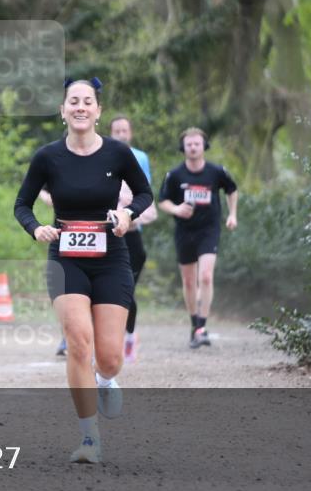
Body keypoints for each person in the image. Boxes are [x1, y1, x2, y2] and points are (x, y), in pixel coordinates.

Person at [14, 78, 152, 463]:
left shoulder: (117, 153)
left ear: (97, 111)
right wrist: (36, 227)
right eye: (72, 101)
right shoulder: (47, 157)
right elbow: (22, 204)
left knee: (108, 357)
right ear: (62, 110)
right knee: (78, 341)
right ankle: (89, 438)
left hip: (111, 258)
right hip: (66, 258)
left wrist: (127, 213)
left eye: (87, 101)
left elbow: (144, 194)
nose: (79, 107)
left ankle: (106, 379)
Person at [158, 127, 237, 349]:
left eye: (197, 143)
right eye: (189, 144)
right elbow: (162, 200)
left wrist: (232, 215)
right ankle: (194, 324)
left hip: (209, 230)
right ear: (183, 148)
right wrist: (176, 209)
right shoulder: (175, 175)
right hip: (184, 231)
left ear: (204, 146)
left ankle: (202, 326)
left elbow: (232, 190)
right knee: (189, 281)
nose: (193, 147)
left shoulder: (216, 172)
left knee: (205, 276)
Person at [108, 115, 157, 363]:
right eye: (116, 130)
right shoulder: (102, 158)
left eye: (124, 130)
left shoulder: (140, 159)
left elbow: (147, 200)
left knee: (126, 291)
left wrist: (131, 215)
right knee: (108, 292)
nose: (121, 134)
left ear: (131, 133)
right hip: (106, 239)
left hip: (132, 237)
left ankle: (129, 336)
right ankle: (111, 340)